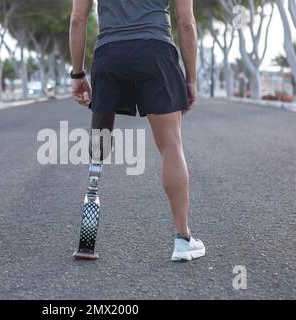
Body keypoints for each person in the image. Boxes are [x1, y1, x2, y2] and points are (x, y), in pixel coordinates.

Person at [69, 0, 205, 262]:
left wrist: (77, 74)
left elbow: (77, 20)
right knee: (171, 146)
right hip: (155, 52)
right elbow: (187, 24)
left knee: (100, 141)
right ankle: (183, 239)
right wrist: (190, 79)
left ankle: (87, 240)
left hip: (109, 55)